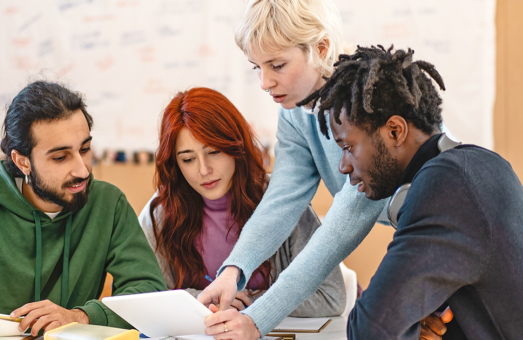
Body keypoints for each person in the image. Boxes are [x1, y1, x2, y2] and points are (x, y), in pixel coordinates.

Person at [199, 1, 453, 340]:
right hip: (420, 237)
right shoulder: (295, 109)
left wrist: (258, 320)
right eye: (255, 67)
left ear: (320, 48)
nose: (264, 82)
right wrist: (234, 270)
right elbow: (281, 199)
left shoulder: (368, 102)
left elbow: (336, 234)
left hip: (452, 232)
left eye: (277, 65)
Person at [304, 45, 523, 339]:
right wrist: (417, 316)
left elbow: (369, 330)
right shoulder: (485, 165)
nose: (343, 166)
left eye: (348, 148)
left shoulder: (445, 187)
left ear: (395, 131)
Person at [0, 81, 167, 336]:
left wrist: (79, 316)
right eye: (60, 157)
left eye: (85, 149)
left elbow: (149, 293)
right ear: (22, 162)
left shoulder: (109, 205)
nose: (82, 170)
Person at [139, 87, 345, 316]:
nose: (204, 170)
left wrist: (249, 300)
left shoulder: (280, 200)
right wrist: (202, 299)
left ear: (235, 146)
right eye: (188, 159)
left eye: (214, 152)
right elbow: (144, 296)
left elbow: (331, 297)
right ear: (175, 164)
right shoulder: (159, 213)